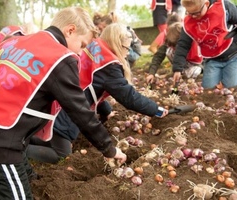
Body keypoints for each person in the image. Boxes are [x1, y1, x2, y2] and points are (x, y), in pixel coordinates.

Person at [0, 7, 127, 199]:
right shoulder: (60, 58)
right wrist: (109, 148)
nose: (81, 53)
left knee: (11, 183)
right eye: (82, 45)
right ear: (70, 30)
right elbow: (79, 110)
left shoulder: (16, 41)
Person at [26, 23, 169, 164]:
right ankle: (19, 150)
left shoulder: (95, 47)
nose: (128, 52)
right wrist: (156, 110)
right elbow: (129, 97)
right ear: (117, 44)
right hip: (68, 110)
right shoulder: (110, 66)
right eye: (127, 47)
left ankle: (27, 136)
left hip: (58, 100)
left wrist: (106, 111)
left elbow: (92, 85)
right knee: (62, 155)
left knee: (47, 135)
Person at [172, 0, 237, 89]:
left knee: (232, 87)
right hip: (212, 60)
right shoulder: (189, 22)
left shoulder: (223, 7)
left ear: (206, 4)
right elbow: (183, 45)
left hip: (233, 56)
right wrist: (177, 69)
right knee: (208, 89)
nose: (194, 17)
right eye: (189, 13)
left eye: (197, 13)